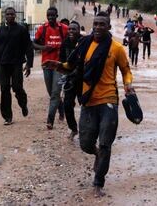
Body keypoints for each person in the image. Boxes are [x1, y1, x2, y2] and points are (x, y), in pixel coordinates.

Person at [43, 12, 134, 197]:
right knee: (85, 144)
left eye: (102, 24)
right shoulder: (84, 45)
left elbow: (126, 70)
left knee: (106, 143)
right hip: (88, 100)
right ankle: (97, 154)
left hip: (108, 100)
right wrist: (58, 66)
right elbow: (70, 65)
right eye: (96, 24)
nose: (98, 27)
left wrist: (128, 84)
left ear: (108, 27)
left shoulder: (116, 48)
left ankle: (98, 181)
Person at [0, 7, 33, 125]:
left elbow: (28, 47)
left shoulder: (21, 29)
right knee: (4, 89)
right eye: (8, 14)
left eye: (12, 14)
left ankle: (23, 104)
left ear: (15, 16)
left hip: (17, 63)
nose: (10, 16)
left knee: (17, 87)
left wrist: (29, 64)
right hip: (4, 64)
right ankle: (7, 116)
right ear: (5, 16)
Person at [33, 7, 68, 129]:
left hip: (59, 66)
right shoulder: (43, 29)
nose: (50, 17)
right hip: (46, 65)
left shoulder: (63, 28)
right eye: (48, 15)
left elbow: (71, 41)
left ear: (57, 15)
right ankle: (61, 108)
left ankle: (50, 120)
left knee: (55, 93)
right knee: (51, 92)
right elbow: (33, 43)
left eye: (53, 15)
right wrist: (44, 48)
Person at [59, 21, 83, 140]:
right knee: (67, 105)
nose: (71, 31)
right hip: (70, 79)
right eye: (69, 29)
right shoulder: (65, 43)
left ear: (79, 30)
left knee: (86, 104)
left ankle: (87, 128)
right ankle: (73, 129)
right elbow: (62, 61)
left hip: (84, 80)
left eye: (74, 29)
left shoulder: (84, 42)